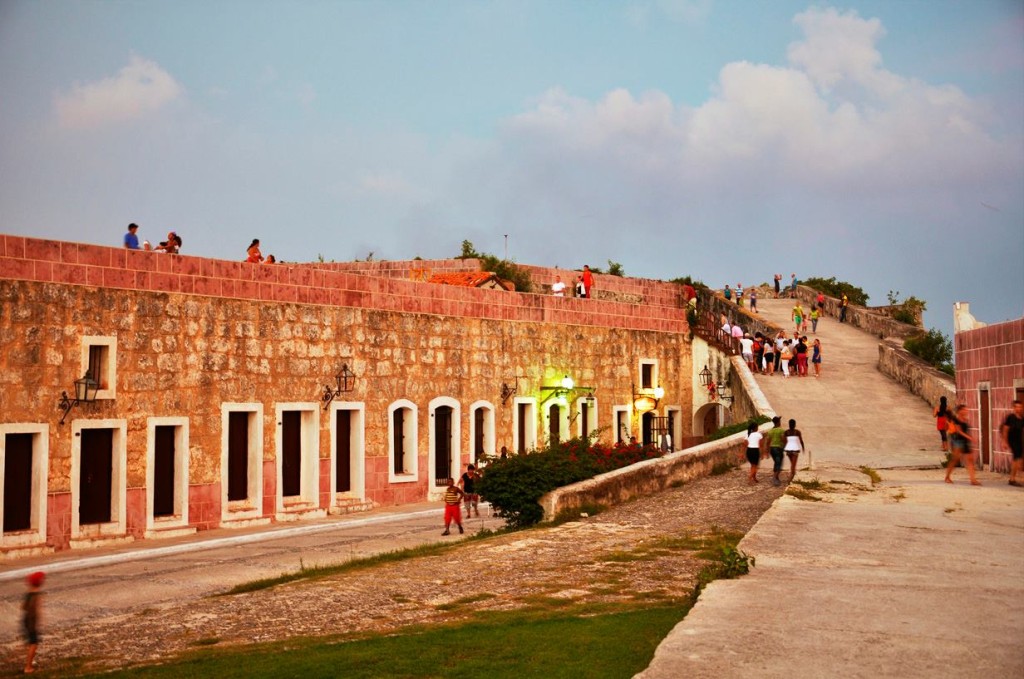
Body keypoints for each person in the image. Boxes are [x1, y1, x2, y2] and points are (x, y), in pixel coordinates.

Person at [945, 405, 980, 485]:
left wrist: (969, 438)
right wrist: (970, 438)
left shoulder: (965, 419)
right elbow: (959, 431)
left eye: (966, 409)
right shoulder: (956, 420)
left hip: (965, 441)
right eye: (964, 409)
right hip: (957, 441)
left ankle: (973, 480)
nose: (966, 411)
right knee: (955, 460)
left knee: (970, 460)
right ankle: (947, 477)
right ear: (959, 411)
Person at [22, 571, 44, 674]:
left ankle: (30, 661)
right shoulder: (36, 595)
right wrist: (35, 623)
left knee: (31, 642)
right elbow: (35, 611)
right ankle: (28, 667)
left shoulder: (29, 593)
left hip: (26, 620)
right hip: (31, 622)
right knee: (33, 644)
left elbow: (23, 607)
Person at [1000, 400, 1024, 486]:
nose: (1019, 409)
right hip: (1012, 440)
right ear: (1014, 408)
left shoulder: (1022, 418)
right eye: (1017, 407)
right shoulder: (1010, 417)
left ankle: (1016, 477)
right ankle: (1012, 479)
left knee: (1019, 459)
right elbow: (1005, 430)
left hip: (1019, 441)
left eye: (1020, 407)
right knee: (1017, 458)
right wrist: (1004, 442)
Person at [767, 416, 786, 485]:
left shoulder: (770, 431)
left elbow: (768, 441)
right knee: (779, 463)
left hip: (772, 449)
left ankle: (776, 477)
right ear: (778, 422)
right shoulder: (781, 430)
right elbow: (783, 439)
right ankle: (774, 478)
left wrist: (767, 450)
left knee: (776, 462)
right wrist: (785, 445)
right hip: (778, 449)